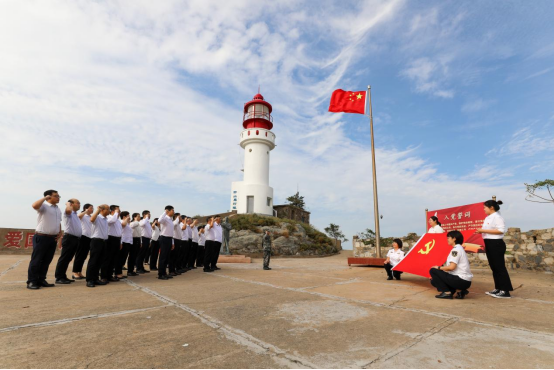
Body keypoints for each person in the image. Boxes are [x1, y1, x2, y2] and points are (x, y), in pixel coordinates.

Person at [476, 200, 514, 299]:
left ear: (491, 207)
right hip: (489, 243)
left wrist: (483, 230)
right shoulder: (488, 217)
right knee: (494, 267)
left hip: (496, 243)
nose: (484, 209)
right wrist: (480, 232)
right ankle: (498, 288)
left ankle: (505, 291)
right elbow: (488, 231)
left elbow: (501, 230)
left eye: (485, 207)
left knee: (500, 267)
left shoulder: (497, 217)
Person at [27, 190, 63, 290]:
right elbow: (34, 205)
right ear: (48, 197)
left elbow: (58, 222)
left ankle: (41, 279)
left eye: (59, 196)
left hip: (52, 238)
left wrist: (60, 232)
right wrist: (44, 198)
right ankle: (32, 281)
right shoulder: (44, 206)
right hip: (41, 237)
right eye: (56, 196)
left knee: (46, 260)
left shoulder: (58, 209)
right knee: (36, 260)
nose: (58, 197)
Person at [430, 230, 473, 300]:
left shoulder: (455, 250)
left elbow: (451, 267)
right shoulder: (459, 248)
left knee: (433, 270)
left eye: (448, 238)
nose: (447, 240)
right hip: (465, 281)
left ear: (454, 238)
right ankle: (460, 291)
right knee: (434, 280)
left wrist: (438, 268)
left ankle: (447, 293)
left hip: (461, 280)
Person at [55, 199, 82, 285]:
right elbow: (68, 210)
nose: (79, 204)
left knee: (68, 259)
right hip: (69, 238)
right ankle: (59, 277)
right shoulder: (68, 213)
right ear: (71, 204)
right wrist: (67, 204)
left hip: (75, 239)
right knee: (64, 258)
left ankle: (63, 276)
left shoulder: (75, 215)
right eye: (77, 203)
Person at [86, 205, 110, 288]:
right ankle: (89, 280)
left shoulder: (106, 219)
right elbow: (91, 219)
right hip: (96, 241)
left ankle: (95, 278)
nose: (109, 210)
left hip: (103, 241)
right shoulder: (97, 217)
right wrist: (97, 210)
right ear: (102, 210)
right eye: (108, 209)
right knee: (93, 261)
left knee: (99, 261)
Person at [72, 204, 94, 280]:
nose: (92, 209)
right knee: (79, 255)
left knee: (84, 256)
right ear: (86, 208)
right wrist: (85, 211)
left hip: (90, 238)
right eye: (91, 208)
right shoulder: (83, 215)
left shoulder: (91, 217)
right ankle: (75, 272)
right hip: (83, 237)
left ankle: (79, 272)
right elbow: (78, 216)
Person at [103, 205, 122, 283]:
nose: (119, 212)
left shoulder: (117, 220)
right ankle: (104, 276)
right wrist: (115, 214)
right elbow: (112, 221)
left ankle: (110, 275)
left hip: (117, 240)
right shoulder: (109, 217)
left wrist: (120, 242)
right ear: (113, 211)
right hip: (110, 239)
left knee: (114, 259)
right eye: (118, 210)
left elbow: (120, 232)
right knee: (107, 258)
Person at [157, 206, 176, 280]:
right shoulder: (164, 218)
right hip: (164, 238)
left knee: (167, 257)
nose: (173, 212)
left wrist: (172, 242)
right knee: (163, 257)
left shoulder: (170, 220)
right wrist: (165, 212)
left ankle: (164, 273)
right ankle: (161, 274)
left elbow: (171, 233)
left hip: (169, 239)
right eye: (172, 210)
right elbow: (159, 220)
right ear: (168, 211)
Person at [115, 212, 132, 280]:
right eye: (128, 215)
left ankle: (120, 272)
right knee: (120, 258)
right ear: (124, 216)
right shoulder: (122, 221)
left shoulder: (127, 223)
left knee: (123, 258)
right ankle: (118, 273)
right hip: (123, 242)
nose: (129, 217)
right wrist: (126, 220)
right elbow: (123, 225)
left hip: (127, 242)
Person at [171, 213, 183, 277]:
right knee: (173, 257)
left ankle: (175, 269)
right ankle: (171, 270)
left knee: (176, 256)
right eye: (180, 217)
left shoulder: (178, 224)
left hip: (178, 240)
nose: (181, 218)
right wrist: (177, 218)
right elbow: (174, 224)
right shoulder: (174, 223)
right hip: (174, 240)